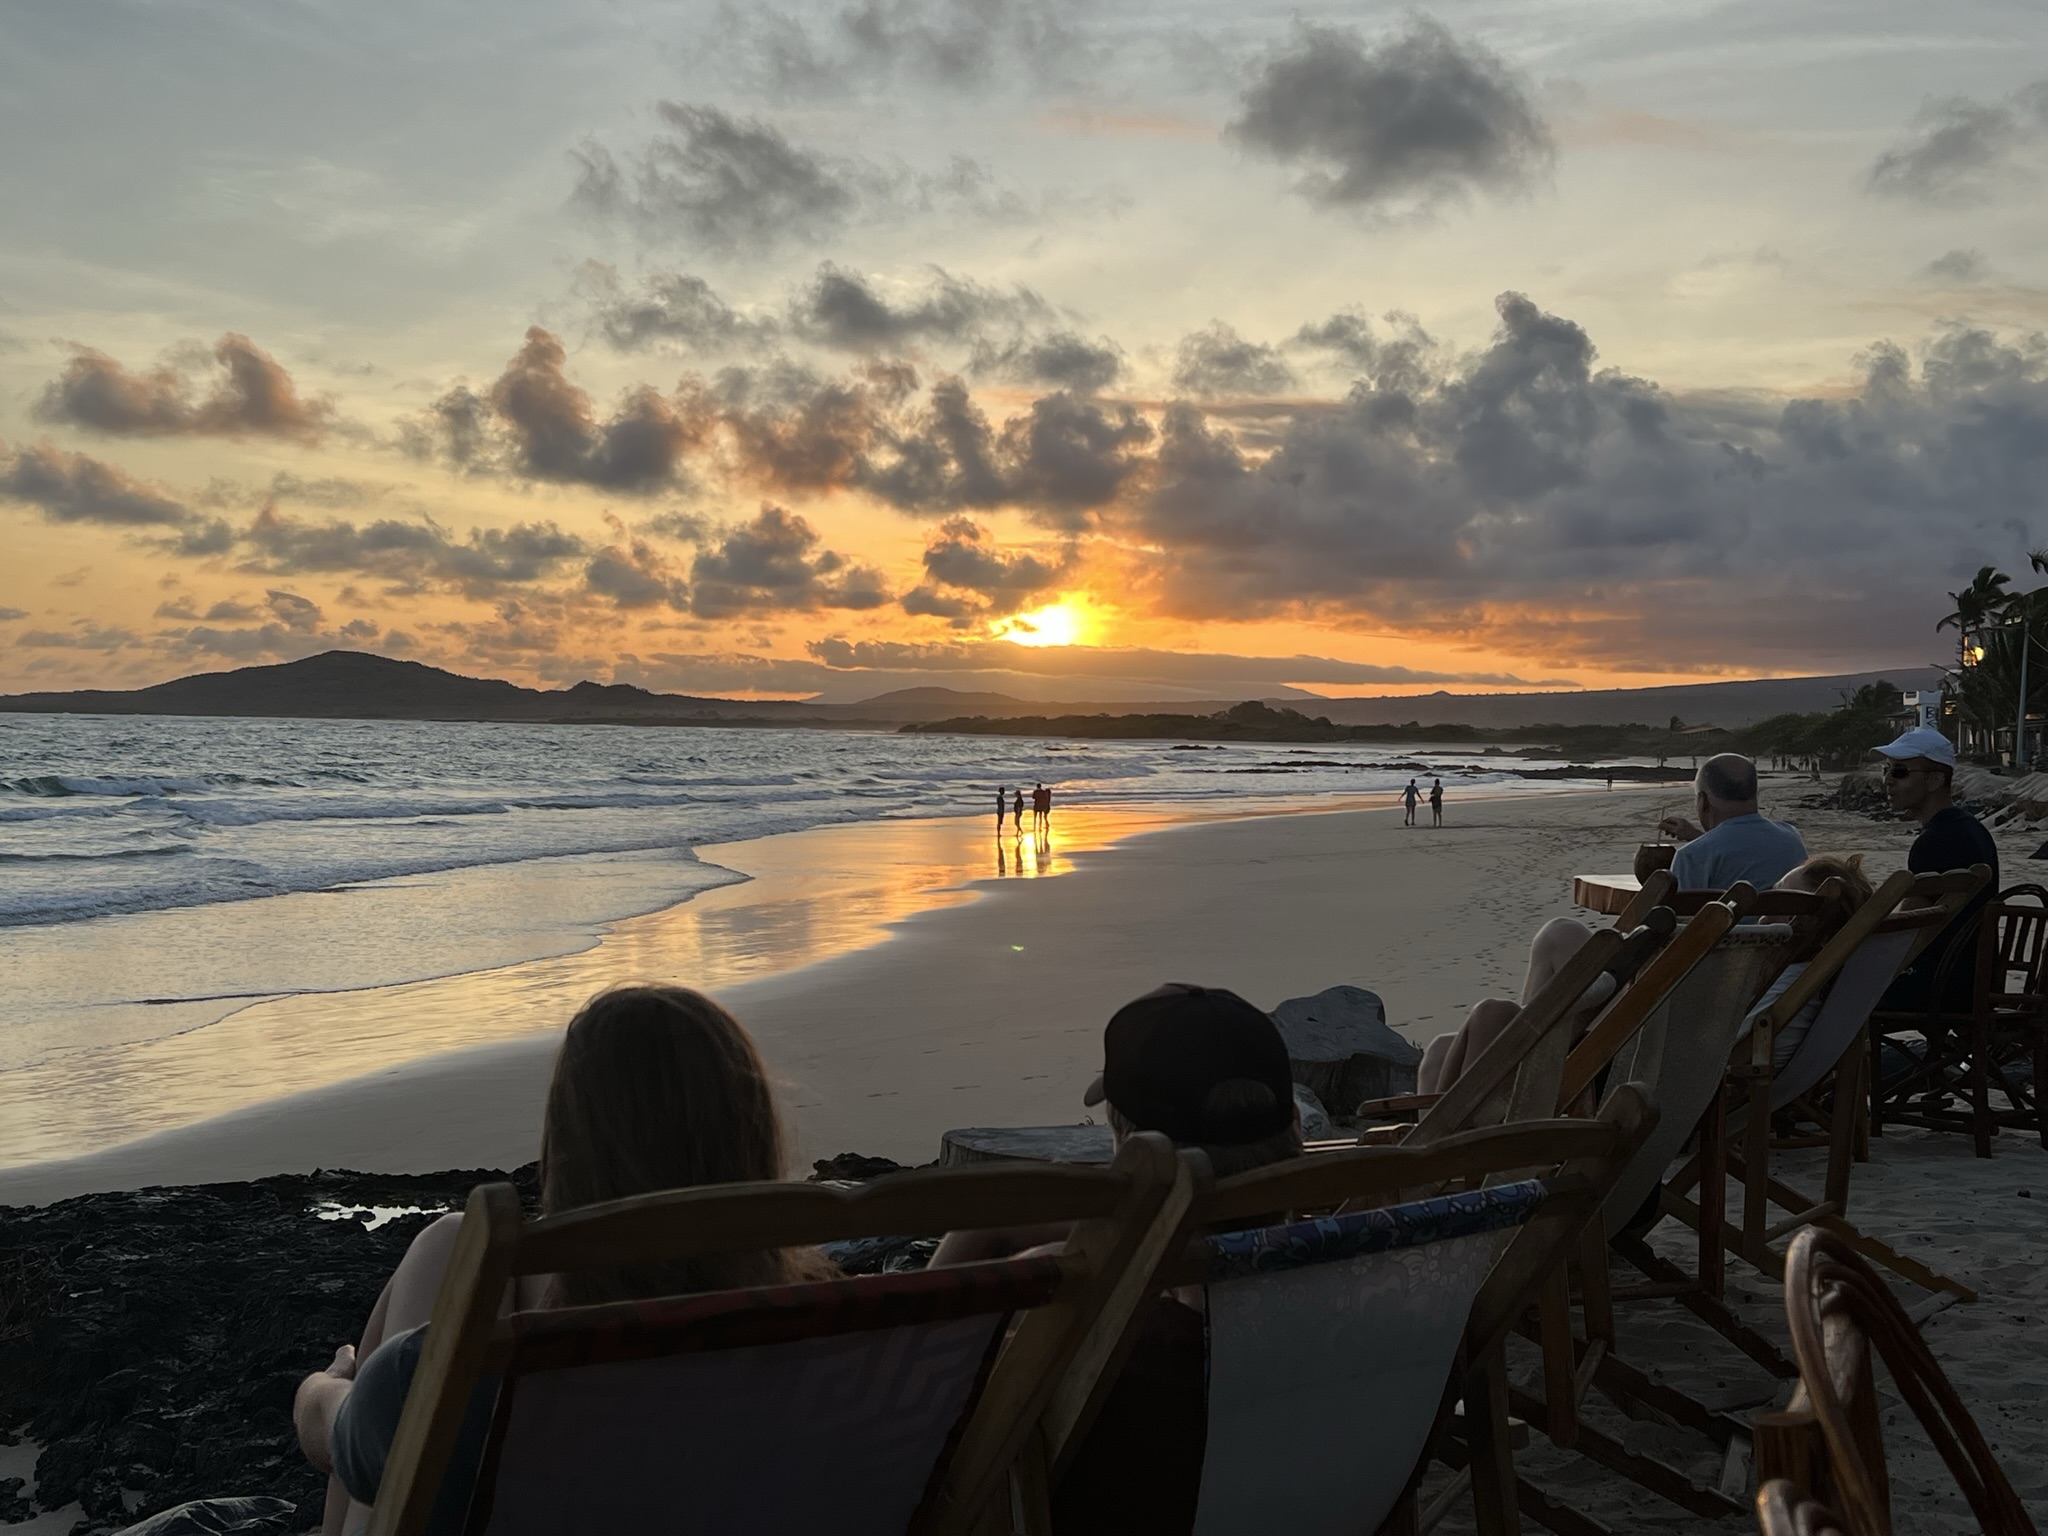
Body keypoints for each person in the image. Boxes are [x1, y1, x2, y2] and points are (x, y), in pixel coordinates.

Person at [292, 986, 831, 1536]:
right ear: (755, 1143)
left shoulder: (461, 1383)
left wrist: (320, 1385)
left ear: (566, 1155)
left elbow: (329, 1431)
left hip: (434, 1421)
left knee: (444, 1249)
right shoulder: (851, 1357)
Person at [931, 984, 1303, 1536]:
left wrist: (980, 1234)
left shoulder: (1095, 1338)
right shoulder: (1363, 1293)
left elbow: (922, 1420)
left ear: (1128, 1146)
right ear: (1293, 1122)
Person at [1873, 726, 1999, 1015]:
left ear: (1934, 780)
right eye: (1886, 770)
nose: (1887, 781)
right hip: (1974, 976)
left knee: (1827, 988)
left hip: (1938, 984)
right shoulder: (1973, 830)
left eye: (1900, 772)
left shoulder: (1933, 842)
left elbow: (1906, 928)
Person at [1742, 853, 1877, 1069]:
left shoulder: (1791, 984)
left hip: (1744, 1086)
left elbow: (1727, 1048)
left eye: (1783, 906)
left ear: (1819, 919)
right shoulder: (1837, 974)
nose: (1764, 918)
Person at [1657, 753, 1807, 890]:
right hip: (1786, 920)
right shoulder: (1791, 837)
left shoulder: (1690, 856)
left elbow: (1682, 916)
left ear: (1703, 801)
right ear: (1755, 793)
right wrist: (1697, 837)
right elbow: (1743, 848)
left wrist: (1699, 844)